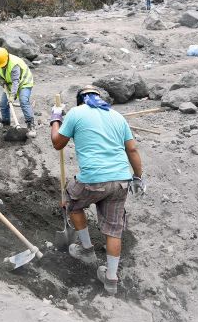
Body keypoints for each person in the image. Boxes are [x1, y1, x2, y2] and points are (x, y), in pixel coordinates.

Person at [49, 85, 146, 295]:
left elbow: (57, 143)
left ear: (79, 100)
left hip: (93, 179)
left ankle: (86, 250)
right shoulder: (117, 116)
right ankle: (111, 280)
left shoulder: (76, 113)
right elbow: (132, 148)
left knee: (72, 202)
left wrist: (55, 119)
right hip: (121, 180)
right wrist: (138, 177)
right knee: (114, 229)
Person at [0, 47, 36, 138]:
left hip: (24, 82)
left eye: (3, 64)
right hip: (10, 84)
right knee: (3, 104)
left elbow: (16, 81)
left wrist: (12, 96)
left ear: (7, 58)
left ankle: (31, 125)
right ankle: (6, 125)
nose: (1, 66)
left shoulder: (14, 64)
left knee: (23, 101)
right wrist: (1, 79)